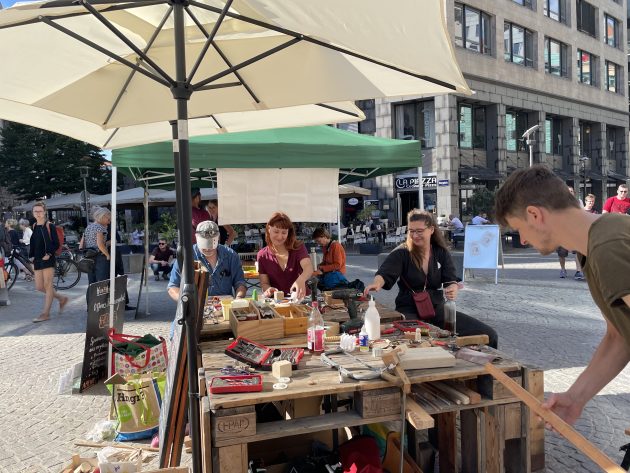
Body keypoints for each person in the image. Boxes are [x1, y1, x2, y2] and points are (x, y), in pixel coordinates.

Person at [495, 165, 630, 426]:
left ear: (534, 214)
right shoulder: (593, 245)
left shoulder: (607, 245)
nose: (522, 240)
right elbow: (619, 336)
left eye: (518, 228)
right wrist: (576, 397)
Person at [363, 209, 498, 348]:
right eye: (411, 231)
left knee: (489, 335)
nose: (415, 235)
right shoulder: (402, 252)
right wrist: (377, 283)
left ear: (431, 229)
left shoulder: (441, 252)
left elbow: (450, 279)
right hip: (409, 310)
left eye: (419, 231)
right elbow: (385, 273)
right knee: (419, 343)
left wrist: (453, 287)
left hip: (436, 308)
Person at [168, 221, 246, 300]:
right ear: (196, 238)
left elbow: (240, 283)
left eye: (212, 243)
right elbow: (173, 286)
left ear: (218, 238)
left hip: (224, 306)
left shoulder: (231, 255)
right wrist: (186, 302)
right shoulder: (186, 256)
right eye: (204, 244)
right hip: (195, 307)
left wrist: (238, 299)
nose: (208, 248)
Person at [257, 212, 313, 300]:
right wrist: (268, 289)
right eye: (276, 231)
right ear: (268, 229)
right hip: (278, 303)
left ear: (289, 232)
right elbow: (264, 283)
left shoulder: (298, 247)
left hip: (301, 300)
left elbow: (308, 267)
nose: (280, 237)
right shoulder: (262, 255)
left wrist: (301, 279)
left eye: (284, 233)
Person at [29, 201, 68, 323]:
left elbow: (56, 243)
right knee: (39, 287)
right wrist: (31, 256)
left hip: (48, 258)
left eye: (40, 211)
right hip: (37, 259)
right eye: (36, 211)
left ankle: (45, 314)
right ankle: (61, 298)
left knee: (48, 285)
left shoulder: (49, 225)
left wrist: (49, 254)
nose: (38, 213)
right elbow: (34, 243)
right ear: (33, 212)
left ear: (44, 212)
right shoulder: (34, 226)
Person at [556, 186, 584, 280]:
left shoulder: (578, 202)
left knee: (577, 252)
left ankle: (578, 271)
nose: (569, 193)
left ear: (574, 193)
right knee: (562, 253)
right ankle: (563, 269)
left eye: (571, 191)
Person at [80, 206, 112, 287]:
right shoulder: (99, 227)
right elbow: (100, 244)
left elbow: (81, 245)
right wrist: (107, 255)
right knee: (102, 282)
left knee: (92, 282)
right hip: (99, 256)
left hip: (89, 256)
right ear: (103, 216)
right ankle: (101, 299)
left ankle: (91, 299)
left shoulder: (89, 227)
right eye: (108, 219)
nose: (109, 222)